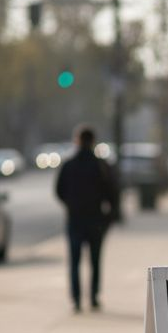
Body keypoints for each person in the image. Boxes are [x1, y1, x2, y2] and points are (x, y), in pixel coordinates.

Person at [55, 124, 120, 312]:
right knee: (95, 261)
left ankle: (76, 299)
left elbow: (59, 191)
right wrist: (109, 215)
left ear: (77, 140)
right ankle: (93, 296)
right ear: (93, 141)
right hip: (95, 220)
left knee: (74, 262)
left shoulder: (69, 165)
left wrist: (70, 204)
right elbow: (113, 192)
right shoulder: (101, 165)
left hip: (75, 220)